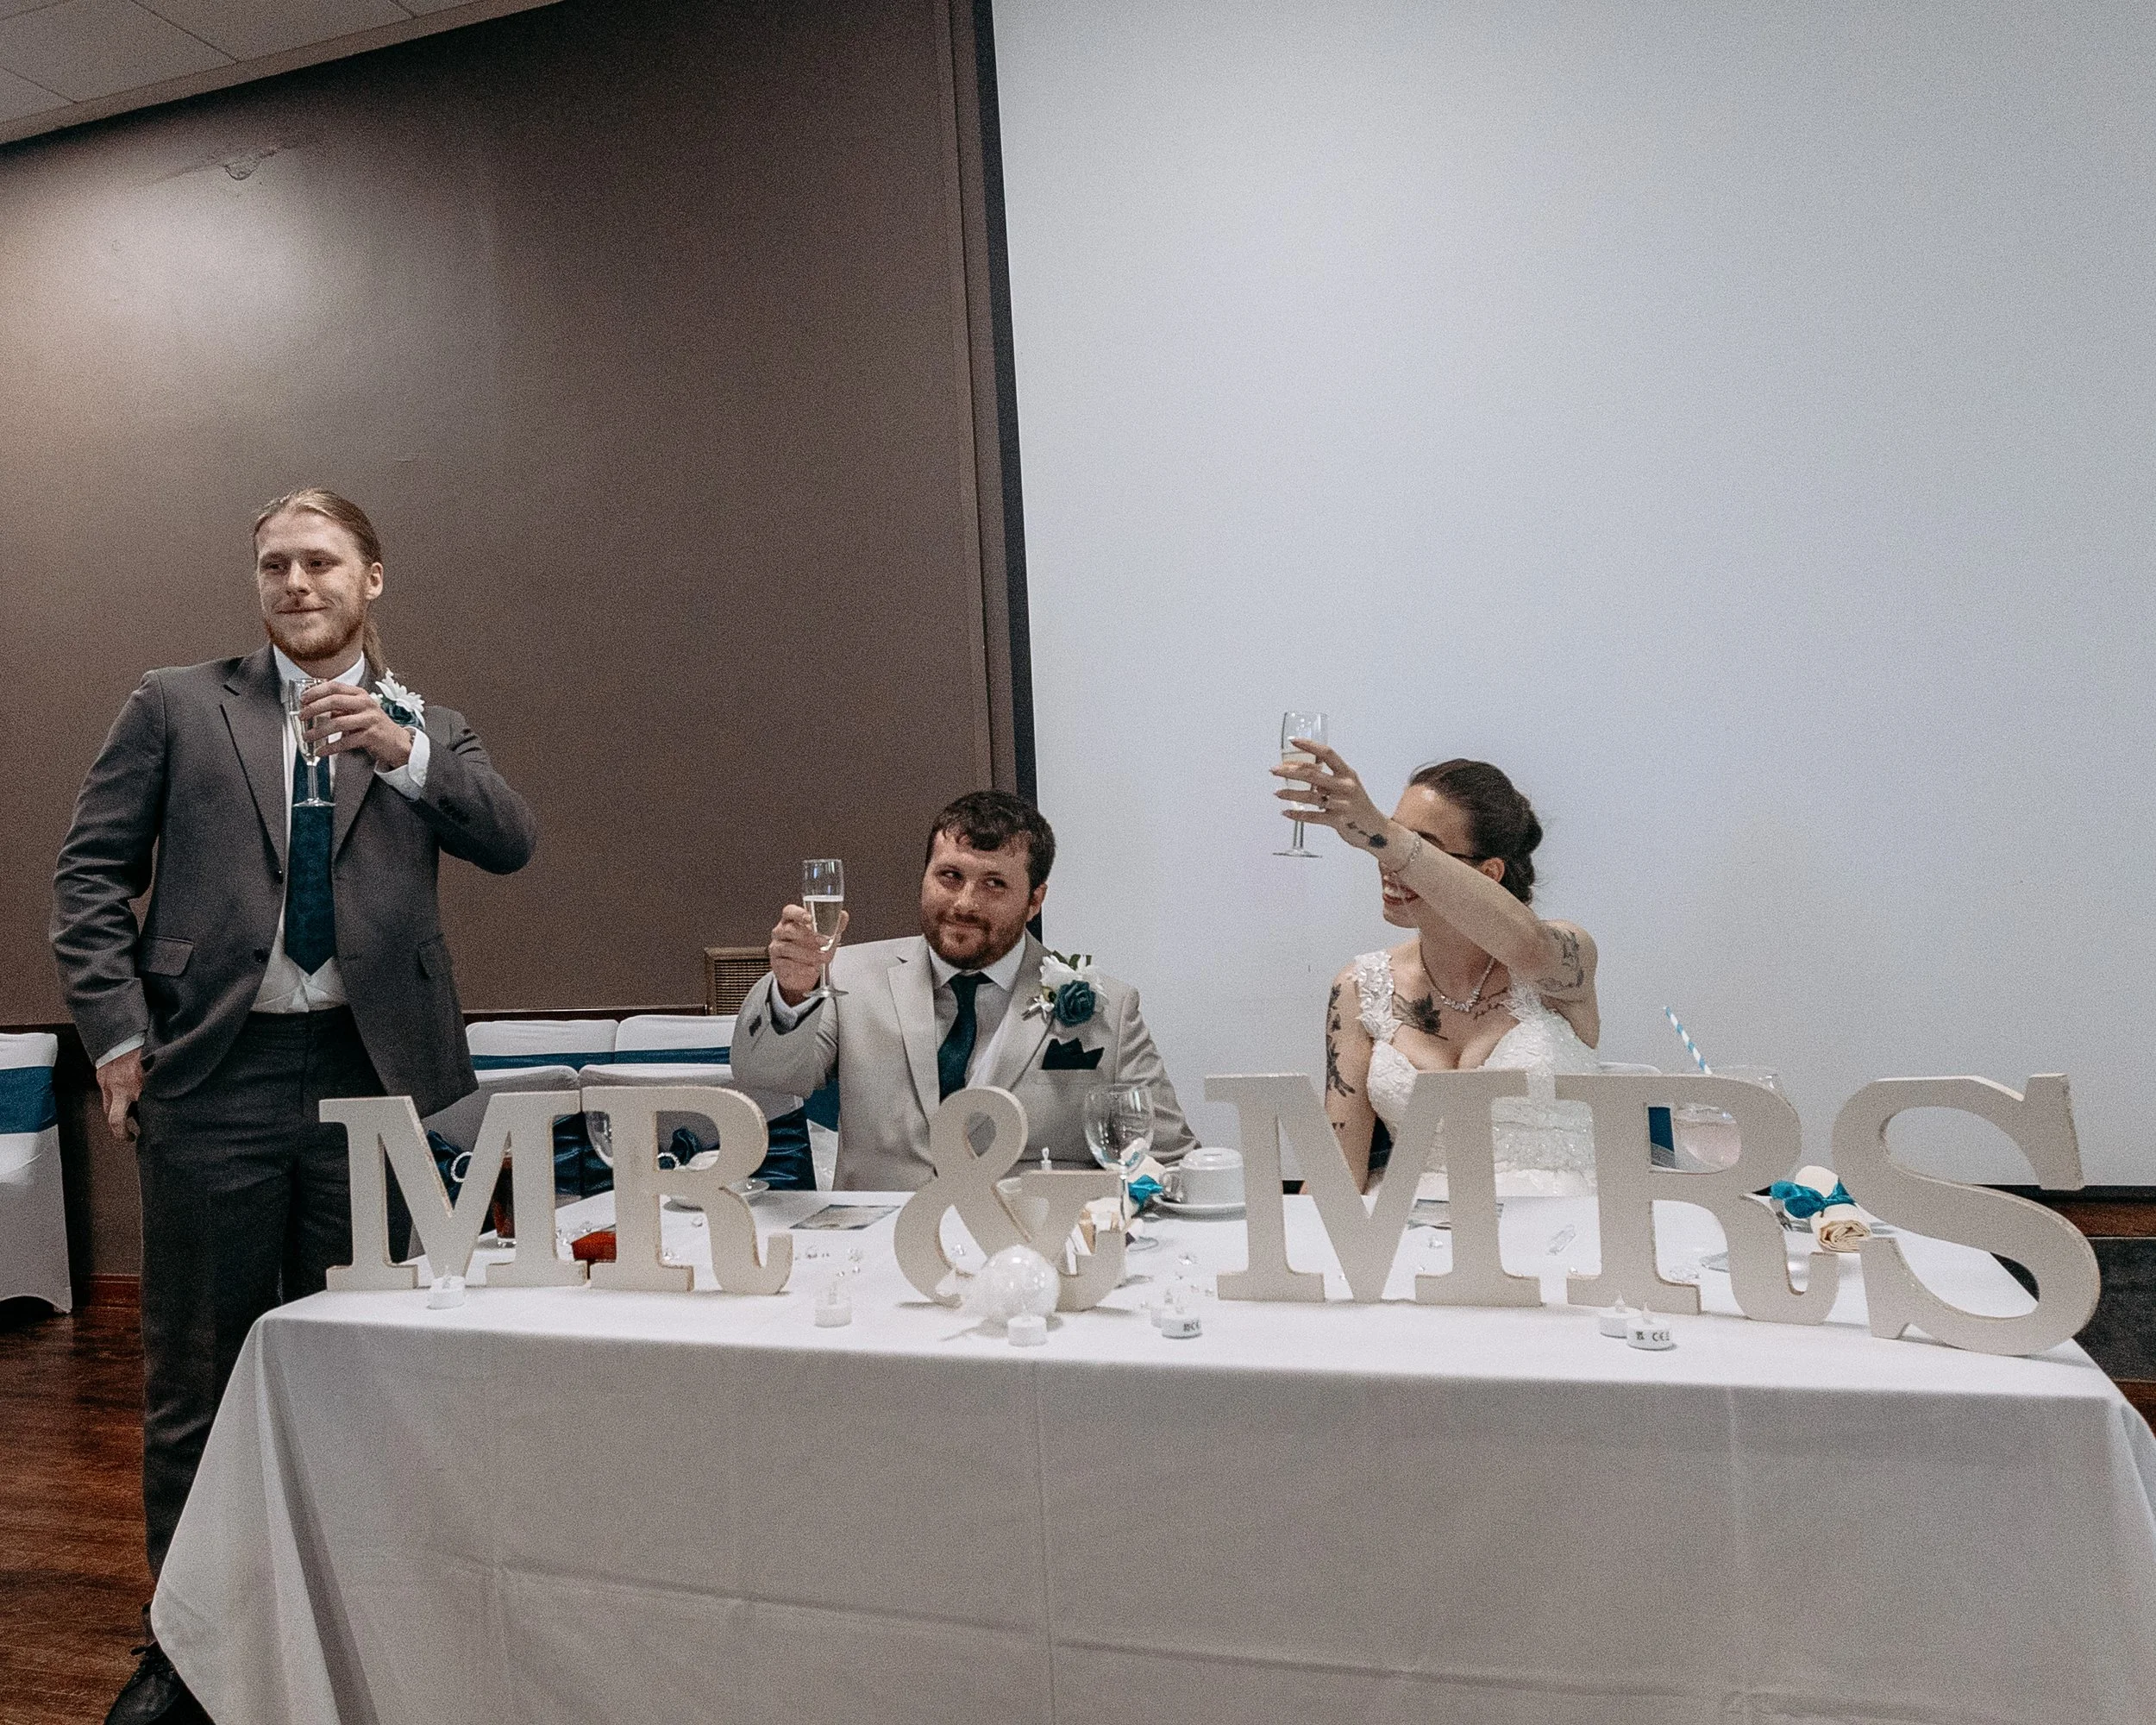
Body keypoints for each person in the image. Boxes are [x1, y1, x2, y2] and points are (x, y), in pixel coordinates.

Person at [51, 489, 537, 1725]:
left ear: (373, 579)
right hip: (214, 1075)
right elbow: (89, 876)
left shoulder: (430, 725)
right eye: (275, 564)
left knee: (364, 1369)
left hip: (380, 1080)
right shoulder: (177, 703)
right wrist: (117, 1034)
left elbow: (510, 840)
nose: (296, 582)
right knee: (197, 1377)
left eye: (321, 561)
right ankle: (188, 1648)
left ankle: (359, 1625)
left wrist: (402, 752)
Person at [730, 791, 1194, 1189]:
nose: (964, 903)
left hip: (1033, 1242)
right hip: (879, 1245)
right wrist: (792, 993)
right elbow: (767, 1077)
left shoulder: (1109, 1008)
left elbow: (1169, 1160)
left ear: (1034, 900)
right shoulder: (846, 976)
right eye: (950, 877)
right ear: (925, 876)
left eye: (994, 884)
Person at [1273, 744, 1600, 1195]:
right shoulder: (1360, 987)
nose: (1388, 862)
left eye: (1419, 846)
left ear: (1489, 873)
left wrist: (1381, 831)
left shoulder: (1564, 958)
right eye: (1387, 838)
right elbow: (1337, 1176)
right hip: (1414, 1226)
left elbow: (1528, 946)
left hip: (1567, 1226)